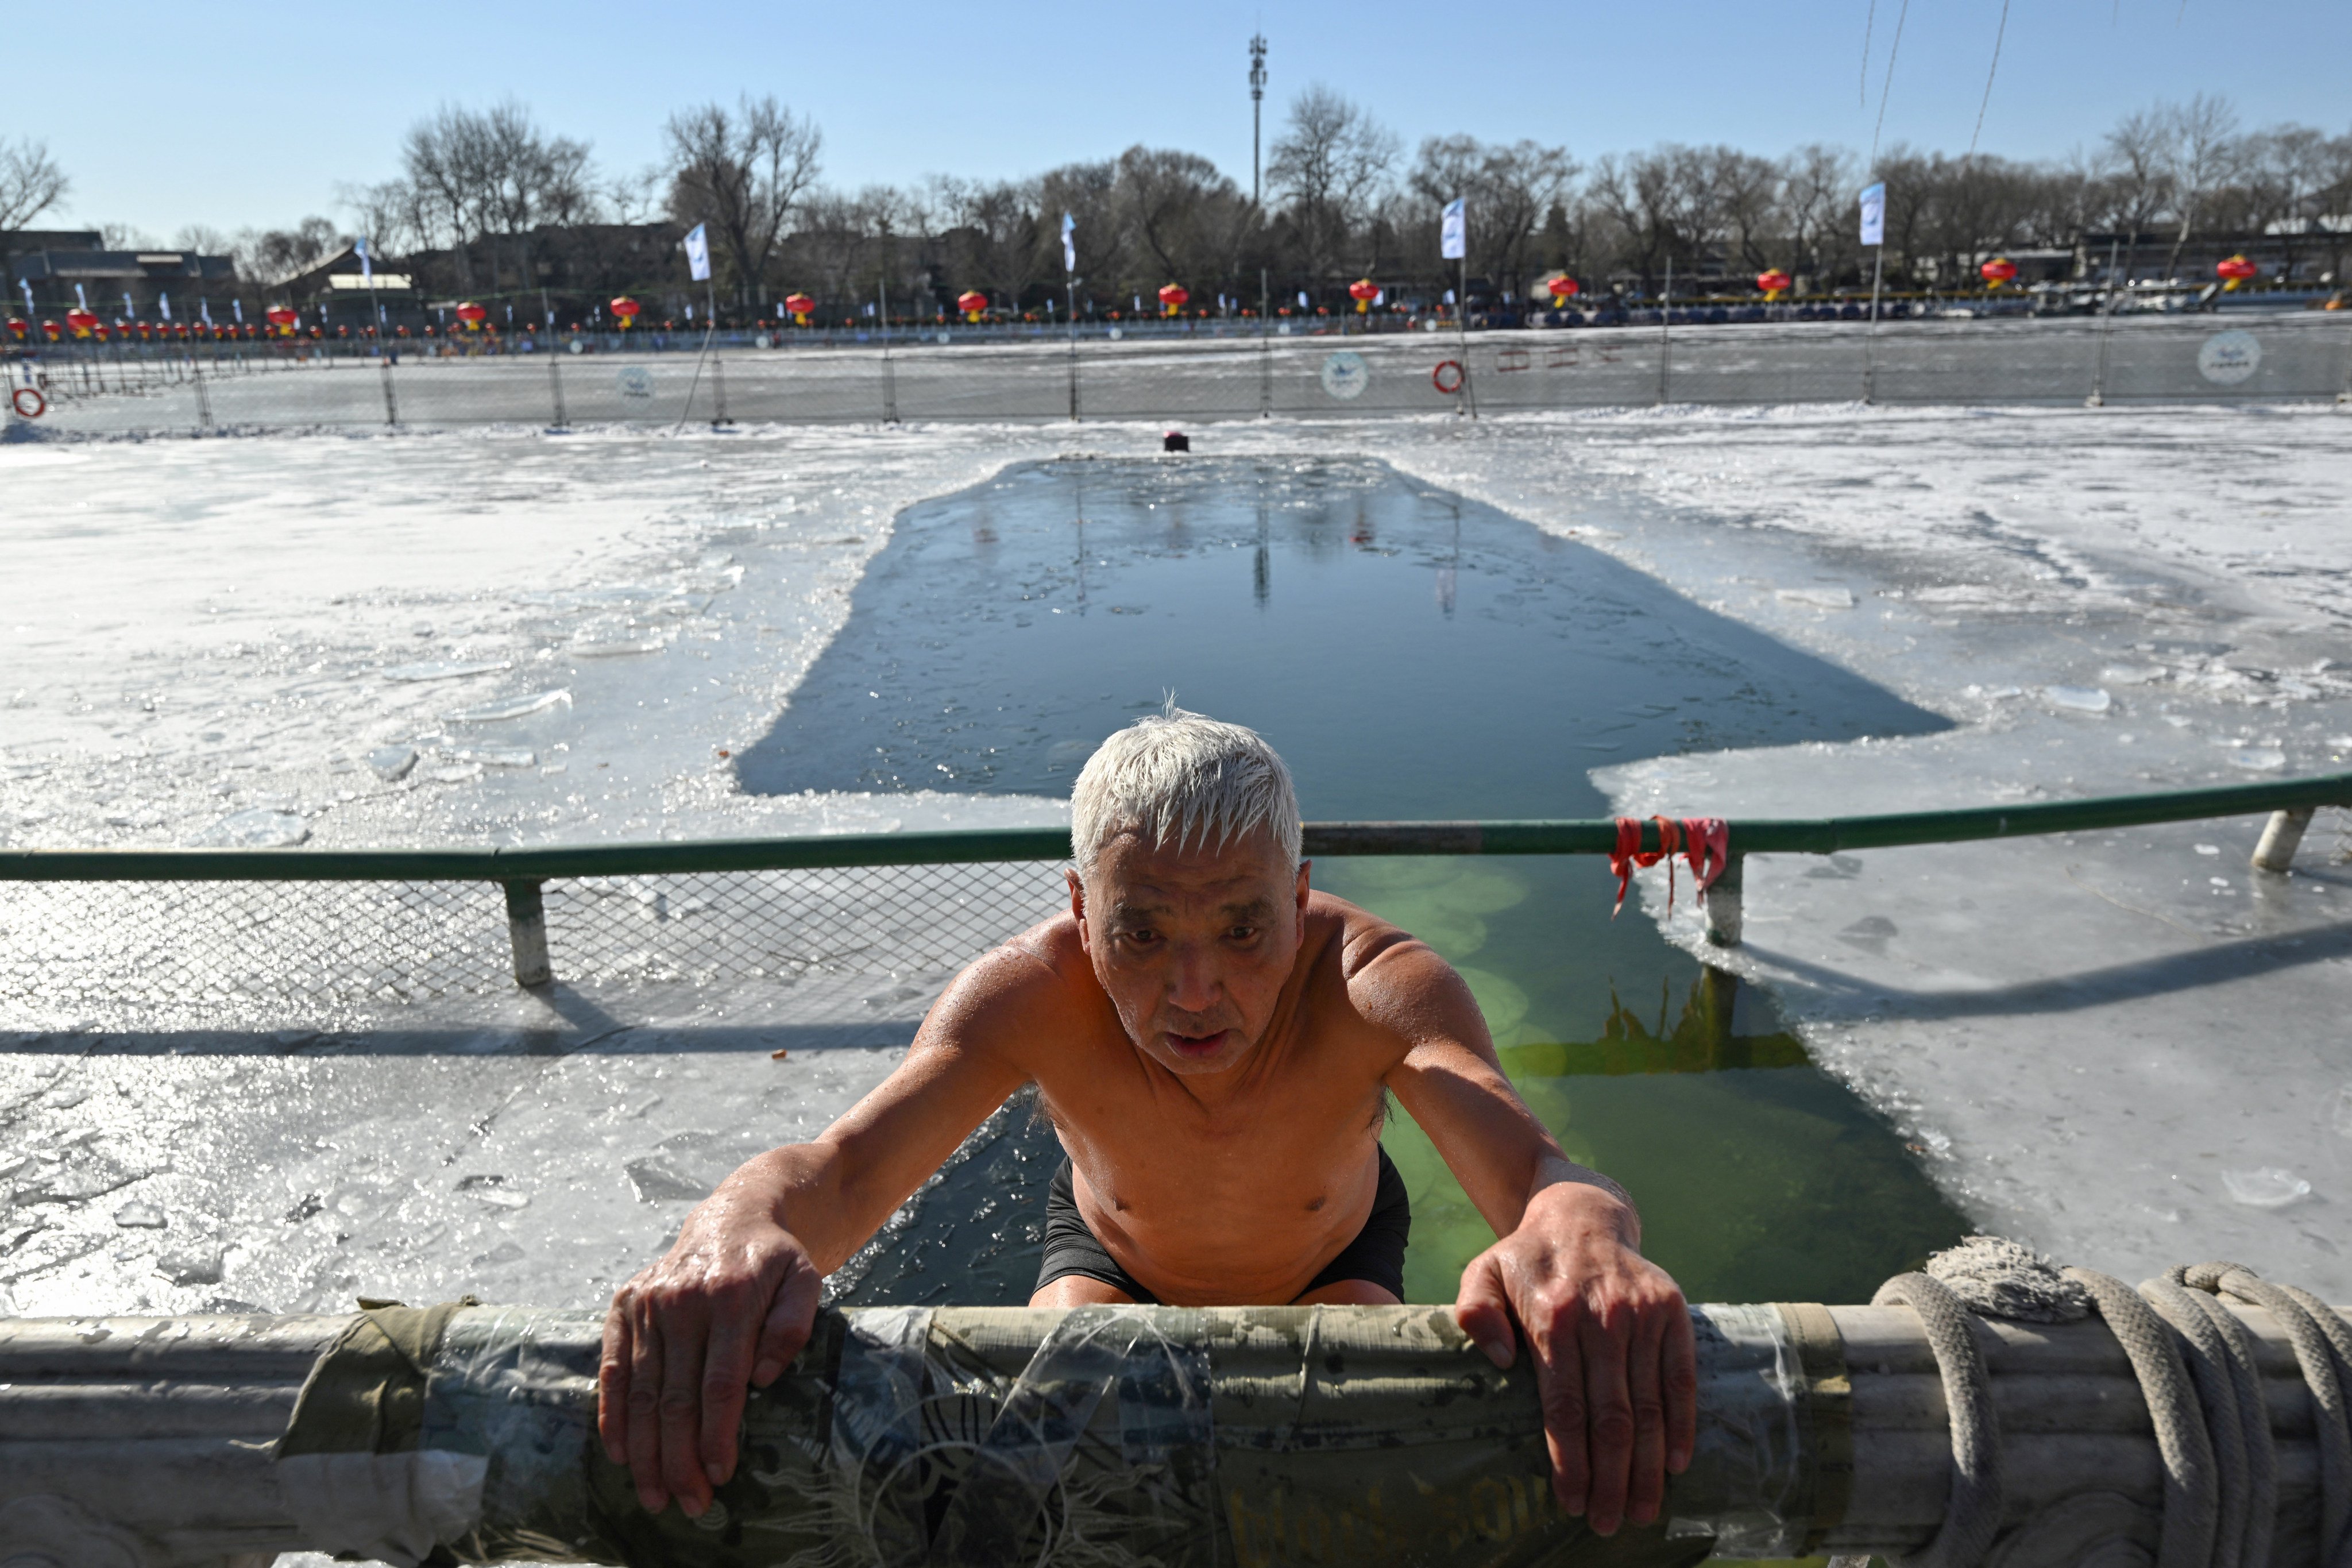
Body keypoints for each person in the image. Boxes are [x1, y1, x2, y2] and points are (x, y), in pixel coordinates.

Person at [600, 708, 1695, 1535]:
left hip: (1331, 1250)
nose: (1196, 989)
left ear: (1300, 895)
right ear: (1080, 908)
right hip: (1114, 1249)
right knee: (1051, 1437)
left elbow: (1534, 1170)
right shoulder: (1029, 993)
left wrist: (1580, 1230)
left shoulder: (1376, 985)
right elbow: (842, 1172)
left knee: (1337, 1468)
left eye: (1241, 927)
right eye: (1142, 932)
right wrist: (735, 1223)